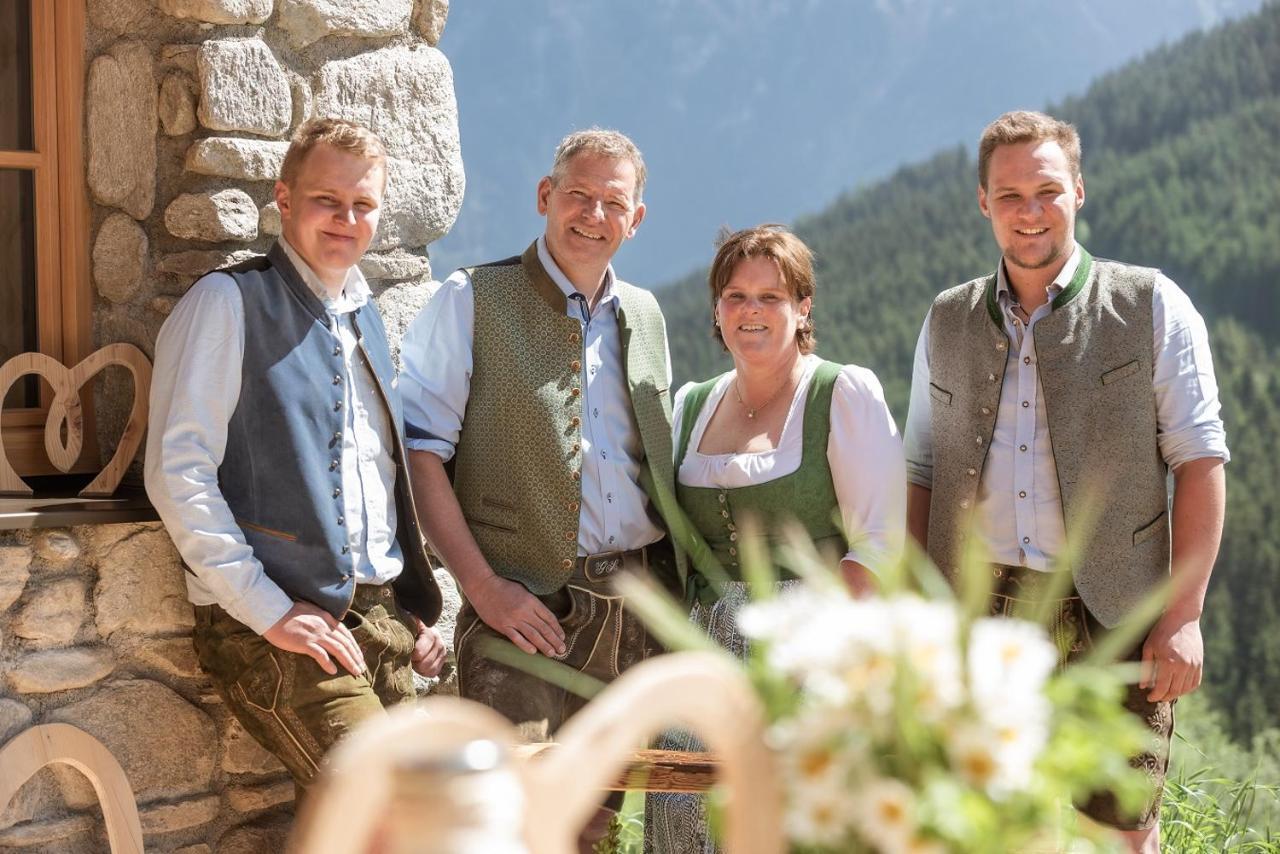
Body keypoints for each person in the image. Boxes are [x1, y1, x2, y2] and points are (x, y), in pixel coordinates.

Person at [903, 110, 1228, 853]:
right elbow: (920, 468)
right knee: (984, 829)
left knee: (1118, 835)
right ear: (983, 202)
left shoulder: (1150, 303)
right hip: (978, 614)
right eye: (1010, 195)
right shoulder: (947, 317)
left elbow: (1200, 461)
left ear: (1079, 190)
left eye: (1047, 190)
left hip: (1116, 608)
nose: (1030, 212)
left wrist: (1183, 615)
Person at [398, 128, 683, 852]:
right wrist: (483, 588)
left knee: (595, 825)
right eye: (578, 195)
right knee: (508, 820)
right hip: (521, 606)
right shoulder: (471, 298)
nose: (593, 214)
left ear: (636, 219)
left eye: (612, 202)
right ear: (544, 197)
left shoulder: (644, 315)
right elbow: (420, 457)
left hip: (634, 608)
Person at [145, 118, 445, 790]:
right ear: (284, 199)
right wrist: (267, 609)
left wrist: (409, 603)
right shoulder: (228, 303)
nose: (347, 219)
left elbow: (371, 475)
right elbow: (177, 473)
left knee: (419, 812)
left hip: (378, 622)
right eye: (326, 201)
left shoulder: (364, 315)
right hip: (274, 626)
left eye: (363, 205)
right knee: (392, 813)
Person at [647, 224, 906, 854]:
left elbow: (878, 542)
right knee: (690, 824)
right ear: (717, 309)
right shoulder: (692, 404)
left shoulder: (841, 393)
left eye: (771, 297)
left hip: (807, 654)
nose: (751, 311)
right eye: (736, 296)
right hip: (701, 658)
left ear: (803, 307)